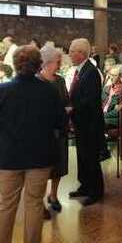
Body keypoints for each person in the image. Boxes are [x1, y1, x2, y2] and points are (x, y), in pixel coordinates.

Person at [0, 45, 65, 243]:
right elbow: (61, 123)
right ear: (39, 65)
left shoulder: (3, 90)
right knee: (35, 203)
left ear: (15, 65)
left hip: (8, 157)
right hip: (40, 156)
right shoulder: (50, 91)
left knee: (6, 204)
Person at [68, 38, 105, 206]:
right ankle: (85, 185)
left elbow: (90, 100)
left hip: (89, 123)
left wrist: (71, 109)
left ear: (81, 53)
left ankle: (96, 191)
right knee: (82, 156)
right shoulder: (81, 70)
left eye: (71, 51)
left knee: (90, 157)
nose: (69, 54)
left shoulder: (91, 72)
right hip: (81, 121)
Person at [38, 46, 69, 217]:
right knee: (42, 171)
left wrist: (67, 109)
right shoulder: (37, 81)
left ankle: (54, 195)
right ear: (47, 62)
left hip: (60, 130)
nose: (60, 64)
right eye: (58, 62)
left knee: (59, 166)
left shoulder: (60, 80)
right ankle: (40, 202)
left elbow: (65, 100)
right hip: (44, 134)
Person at [102, 64, 122, 129]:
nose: (111, 77)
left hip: (114, 119)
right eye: (110, 74)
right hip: (103, 115)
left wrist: (102, 115)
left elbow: (118, 111)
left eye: (115, 75)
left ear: (120, 76)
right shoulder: (107, 88)